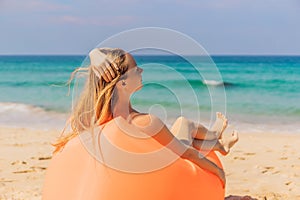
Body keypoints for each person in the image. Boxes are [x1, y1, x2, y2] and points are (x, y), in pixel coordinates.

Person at [43, 48, 238, 199]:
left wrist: (94, 54)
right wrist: (218, 171)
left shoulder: (92, 121)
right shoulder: (146, 122)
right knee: (184, 124)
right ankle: (217, 140)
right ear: (123, 83)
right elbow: (186, 153)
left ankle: (218, 141)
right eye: (136, 69)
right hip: (176, 167)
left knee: (183, 127)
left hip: (156, 160)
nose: (142, 70)